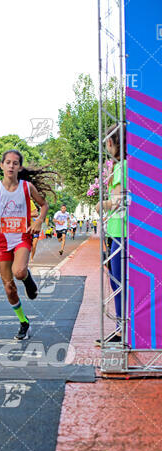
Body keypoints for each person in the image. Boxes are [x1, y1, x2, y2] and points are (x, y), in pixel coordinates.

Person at [0, 149, 50, 340]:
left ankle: (28, 279)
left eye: (15, 163)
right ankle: (23, 322)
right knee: (9, 288)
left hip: (22, 235)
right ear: (1, 165)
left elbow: (44, 205)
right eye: (8, 162)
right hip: (3, 238)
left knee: (19, 272)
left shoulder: (27, 187)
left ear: (19, 167)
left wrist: (38, 221)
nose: (11, 166)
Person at [95, 123, 127, 345]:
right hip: (122, 231)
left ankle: (121, 329)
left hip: (121, 231)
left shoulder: (120, 167)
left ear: (113, 143)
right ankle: (120, 328)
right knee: (119, 281)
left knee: (118, 282)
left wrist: (100, 205)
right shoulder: (127, 165)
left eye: (108, 141)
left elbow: (116, 203)